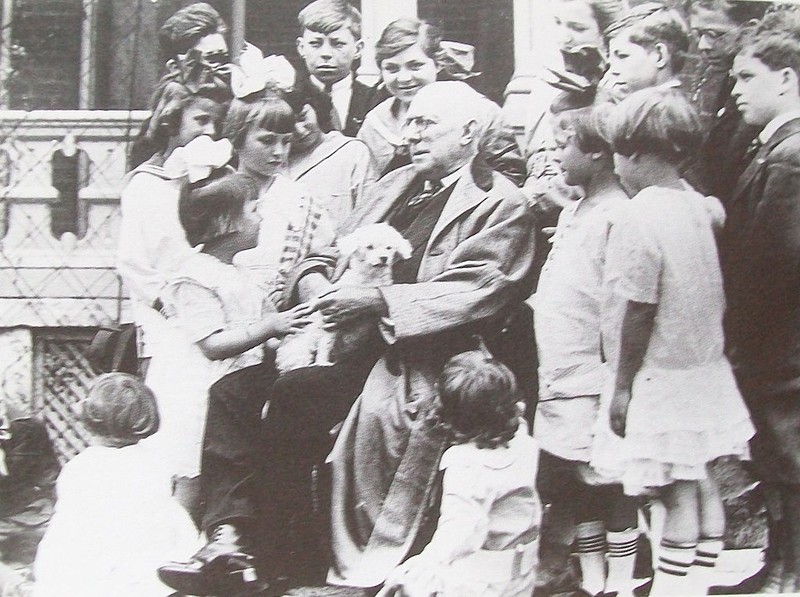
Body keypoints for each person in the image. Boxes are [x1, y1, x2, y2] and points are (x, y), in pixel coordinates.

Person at [283, 81, 536, 590]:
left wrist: (376, 300)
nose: (411, 133)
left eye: (426, 124)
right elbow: (329, 253)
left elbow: (476, 290)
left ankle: (300, 560)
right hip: (345, 339)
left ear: (468, 133)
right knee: (233, 394)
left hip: (430, 354)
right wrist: (315, 281)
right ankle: (241, 543)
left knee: (295, 396)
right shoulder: (393, 183)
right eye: (409, 121)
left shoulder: (501, 203)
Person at [591, 87, 754, 596]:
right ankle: (701, 577)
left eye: (617, 153)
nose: (616, 166)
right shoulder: (699, 206)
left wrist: (621, 387)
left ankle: (674, 588)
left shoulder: (636, 218)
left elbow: (638, 309)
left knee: (673, 488)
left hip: (659, 374)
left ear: (634, 153)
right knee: (701, 474)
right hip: (703, 368)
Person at [154, 171, 312, 597]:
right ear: (227, 224)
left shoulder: (237, 272)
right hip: (205, 385)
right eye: (254, 209)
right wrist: (269, 327)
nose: (261, 218)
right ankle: (187, 552)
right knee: (194, 474)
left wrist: (286, 332)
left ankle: (229, 555)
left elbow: (260, 323)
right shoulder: (195, 276)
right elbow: (212, 343)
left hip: (242, 381)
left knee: (235, 462)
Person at [531, 105, 638, 597]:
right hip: (560, 374)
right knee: (578, 478)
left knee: (607, 479)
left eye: (563, 145)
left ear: (597, 152)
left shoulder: (616, 217)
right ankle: (595, 582)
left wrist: (616, 382)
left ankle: (622, 578)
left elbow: (619, 306)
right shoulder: (576, 210)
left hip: (594, 378)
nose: (554, 155)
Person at [117, 77, 230, 513]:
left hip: (209, 309)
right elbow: (132, 262)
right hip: (167, 316)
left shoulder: (207, 179)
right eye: (200, 120)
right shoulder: (146, 184)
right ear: (170, 122)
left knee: (206, 422)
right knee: (174, 421)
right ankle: (165, 523)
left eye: (215, 123)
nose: (209, 131)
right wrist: (169, 302)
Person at [721, 22, 800, 594]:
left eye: (748, 77)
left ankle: (791, 572)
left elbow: (774, 262)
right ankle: (779, 563)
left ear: (789, 77)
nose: (736, 91)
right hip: (772, 338)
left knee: (788, 455)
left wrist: (739, 333)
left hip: (781, 342)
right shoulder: (771, 146)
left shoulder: (789, 155)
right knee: (773, 455)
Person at [381, 351, 541, 597]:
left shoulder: (466, 462)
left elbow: (462, 527)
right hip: (521, 572)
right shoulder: (523, 442)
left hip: (480, 580)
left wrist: (426, 563)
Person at [33, 373, 200, 597]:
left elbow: (73, 522)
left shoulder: (82, 466)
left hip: (103, 549)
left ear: (90, 419)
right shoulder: (156, 462)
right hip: (149, 551)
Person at [358, 18, 526, 185]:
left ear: (438, 64)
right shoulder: (375, 124)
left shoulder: (479, 110)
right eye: (392, 69)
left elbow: (510, 174)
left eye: (415, 66)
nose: (404, 78)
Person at [224, 92, 337, 303]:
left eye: (286, 142)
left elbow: (320, 259)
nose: (279, 151)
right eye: (267, 141)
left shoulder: (300, 200)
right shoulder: (216, 194)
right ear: (237, 139)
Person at [130, 2, 231, 168]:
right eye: (211, 59)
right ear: (175, 68)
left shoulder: (235, 109)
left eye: (224, 59)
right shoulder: (157, 128)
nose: (220, 69)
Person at [687, 0, 766, 204]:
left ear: (750, 30)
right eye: (698, 34)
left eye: (714, 35)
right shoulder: (716, 75)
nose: (703, 45)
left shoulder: (766, 93)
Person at [286, 86, 375, 232]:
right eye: (288, 127)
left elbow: (369, 213)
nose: (300, 130)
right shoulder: (276, 162)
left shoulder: (351, 151)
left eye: (303, 117)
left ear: (316, 107)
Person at [295, 0, 382, 137]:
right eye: (315, 44)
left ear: (358, 49)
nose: (326, 53)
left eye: (338, 44)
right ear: (301, 47)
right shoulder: (292, 97)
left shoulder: (374, 100)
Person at [603, 3, 691, 102]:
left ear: (660, 56)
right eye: (611, 62)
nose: (612, 71)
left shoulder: (664, 108)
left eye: (622, 56)